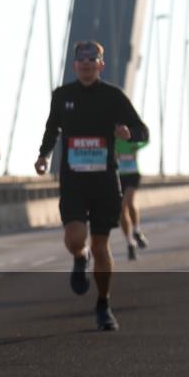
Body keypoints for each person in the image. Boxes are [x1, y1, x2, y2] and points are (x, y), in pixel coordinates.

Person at [35, 41, 149, 331]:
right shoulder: (62, 95)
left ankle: (103, 304)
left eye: (92, 58)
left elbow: (142, 130)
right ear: (74, 65)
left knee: (101, 245)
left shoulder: (113, 96)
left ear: (101, 64)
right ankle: (79, 256)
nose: (86, 62)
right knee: (75, 238)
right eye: (81, 58)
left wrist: (129, 133)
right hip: (73, 181)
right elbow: (52, 128)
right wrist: (43, 155)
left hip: (105, 181)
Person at [115, 136, 149, 260]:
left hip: (133, 174)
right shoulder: (114, 138)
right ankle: (130, 242)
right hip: (119, 176)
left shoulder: (131, 135)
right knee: (121, 210)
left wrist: (137, 146)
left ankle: (137, 231)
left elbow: (145, 138)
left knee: (128, 202)